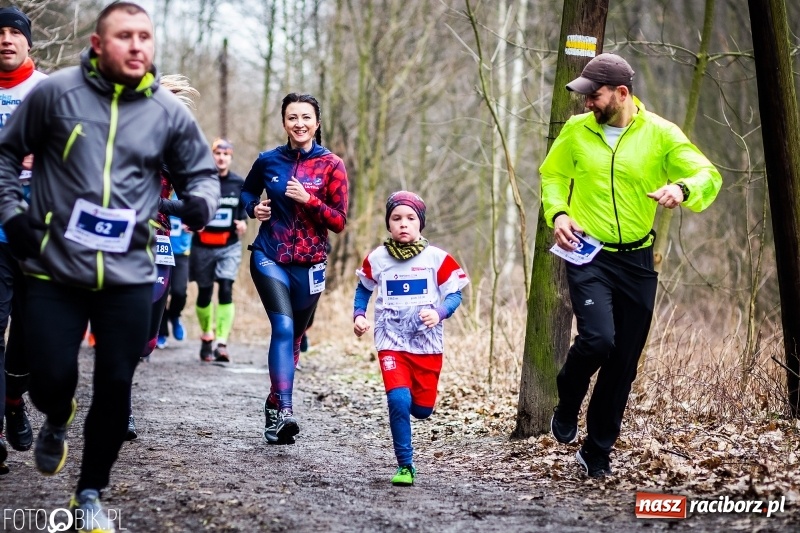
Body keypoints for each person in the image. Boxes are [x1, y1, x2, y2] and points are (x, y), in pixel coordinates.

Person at [0, 3, 219, 530]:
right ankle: (55, 415)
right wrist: (12, 210)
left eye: (145, 36)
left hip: (127, 269)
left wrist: (202, 203)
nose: (138, 45)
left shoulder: (167, 111)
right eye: (125, 35)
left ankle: (90, 492)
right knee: (52, 377)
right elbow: (8, 156)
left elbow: (203, 174)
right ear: (99, 45)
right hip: (55, 265)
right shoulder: (56, 94)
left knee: (116, 384)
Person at [540, 53, 722, 478]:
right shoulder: (575, 131)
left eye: (595, 96)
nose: (587, 103)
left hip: (638, 259)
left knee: (623, 361)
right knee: (598, 339)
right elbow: (551, 176)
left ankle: (596, 451)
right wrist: (559, 213)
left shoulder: (660, 134)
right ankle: (568, 400)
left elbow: (706, 173)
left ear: (622, 94)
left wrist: (682, 188)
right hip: (589, 253)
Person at [241, 92, 348, 445]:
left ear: (317, 123)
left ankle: (272, 406)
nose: (299, 124)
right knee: (283, 327)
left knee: (296, 338)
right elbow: (246, 193)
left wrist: (310, 200)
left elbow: (338, 221)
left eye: (306, 117)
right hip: (270, 254)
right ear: (284, 123)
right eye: (292, 118)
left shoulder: (332, 165)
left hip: (311, 264)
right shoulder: (268, 161)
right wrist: (253, 208)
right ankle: (286, 410)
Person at [353, 191, 469, 486]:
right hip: (390, 340)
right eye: (396, 218)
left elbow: (455, 294)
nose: (403, 224)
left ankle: (421, 406)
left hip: (427, 344)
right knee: (398, 399)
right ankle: (405, 465)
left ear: (420, 224)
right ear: (389, 224)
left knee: (421, 409)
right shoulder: (377, 258)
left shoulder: (437, 258)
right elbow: (364, 288)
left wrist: (440, 312)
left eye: (410, 218)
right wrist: (359, 315)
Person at [0, 5, 47, 475]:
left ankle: (14, 401)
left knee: (29, 336)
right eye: (0, 33)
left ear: (28, 42)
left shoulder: (49, 91)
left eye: (15, 32)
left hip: (39, 234)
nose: (6, 39)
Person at [190, 137, 247, 362]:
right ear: (212, 156)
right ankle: (206, 337)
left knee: (225, 287)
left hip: (229, 246)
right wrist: (191, 220)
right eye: (217, 153)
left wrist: (243, 223)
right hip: (202, 246)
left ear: (231, 158)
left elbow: (243, 212)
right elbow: (190, 206)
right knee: (204, 293)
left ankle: (221, 342)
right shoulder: (201, 180)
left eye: (226, 154)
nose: (221, 158)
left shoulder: (238, 183)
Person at [156, 194, 192, 348]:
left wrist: (195, 222)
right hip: (160, 249)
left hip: (181, 253)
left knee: (179, 292)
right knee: (160, 292)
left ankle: (175, 316)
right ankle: (161, 332)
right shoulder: (160, 190)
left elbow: (202, 212)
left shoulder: (186, 190)